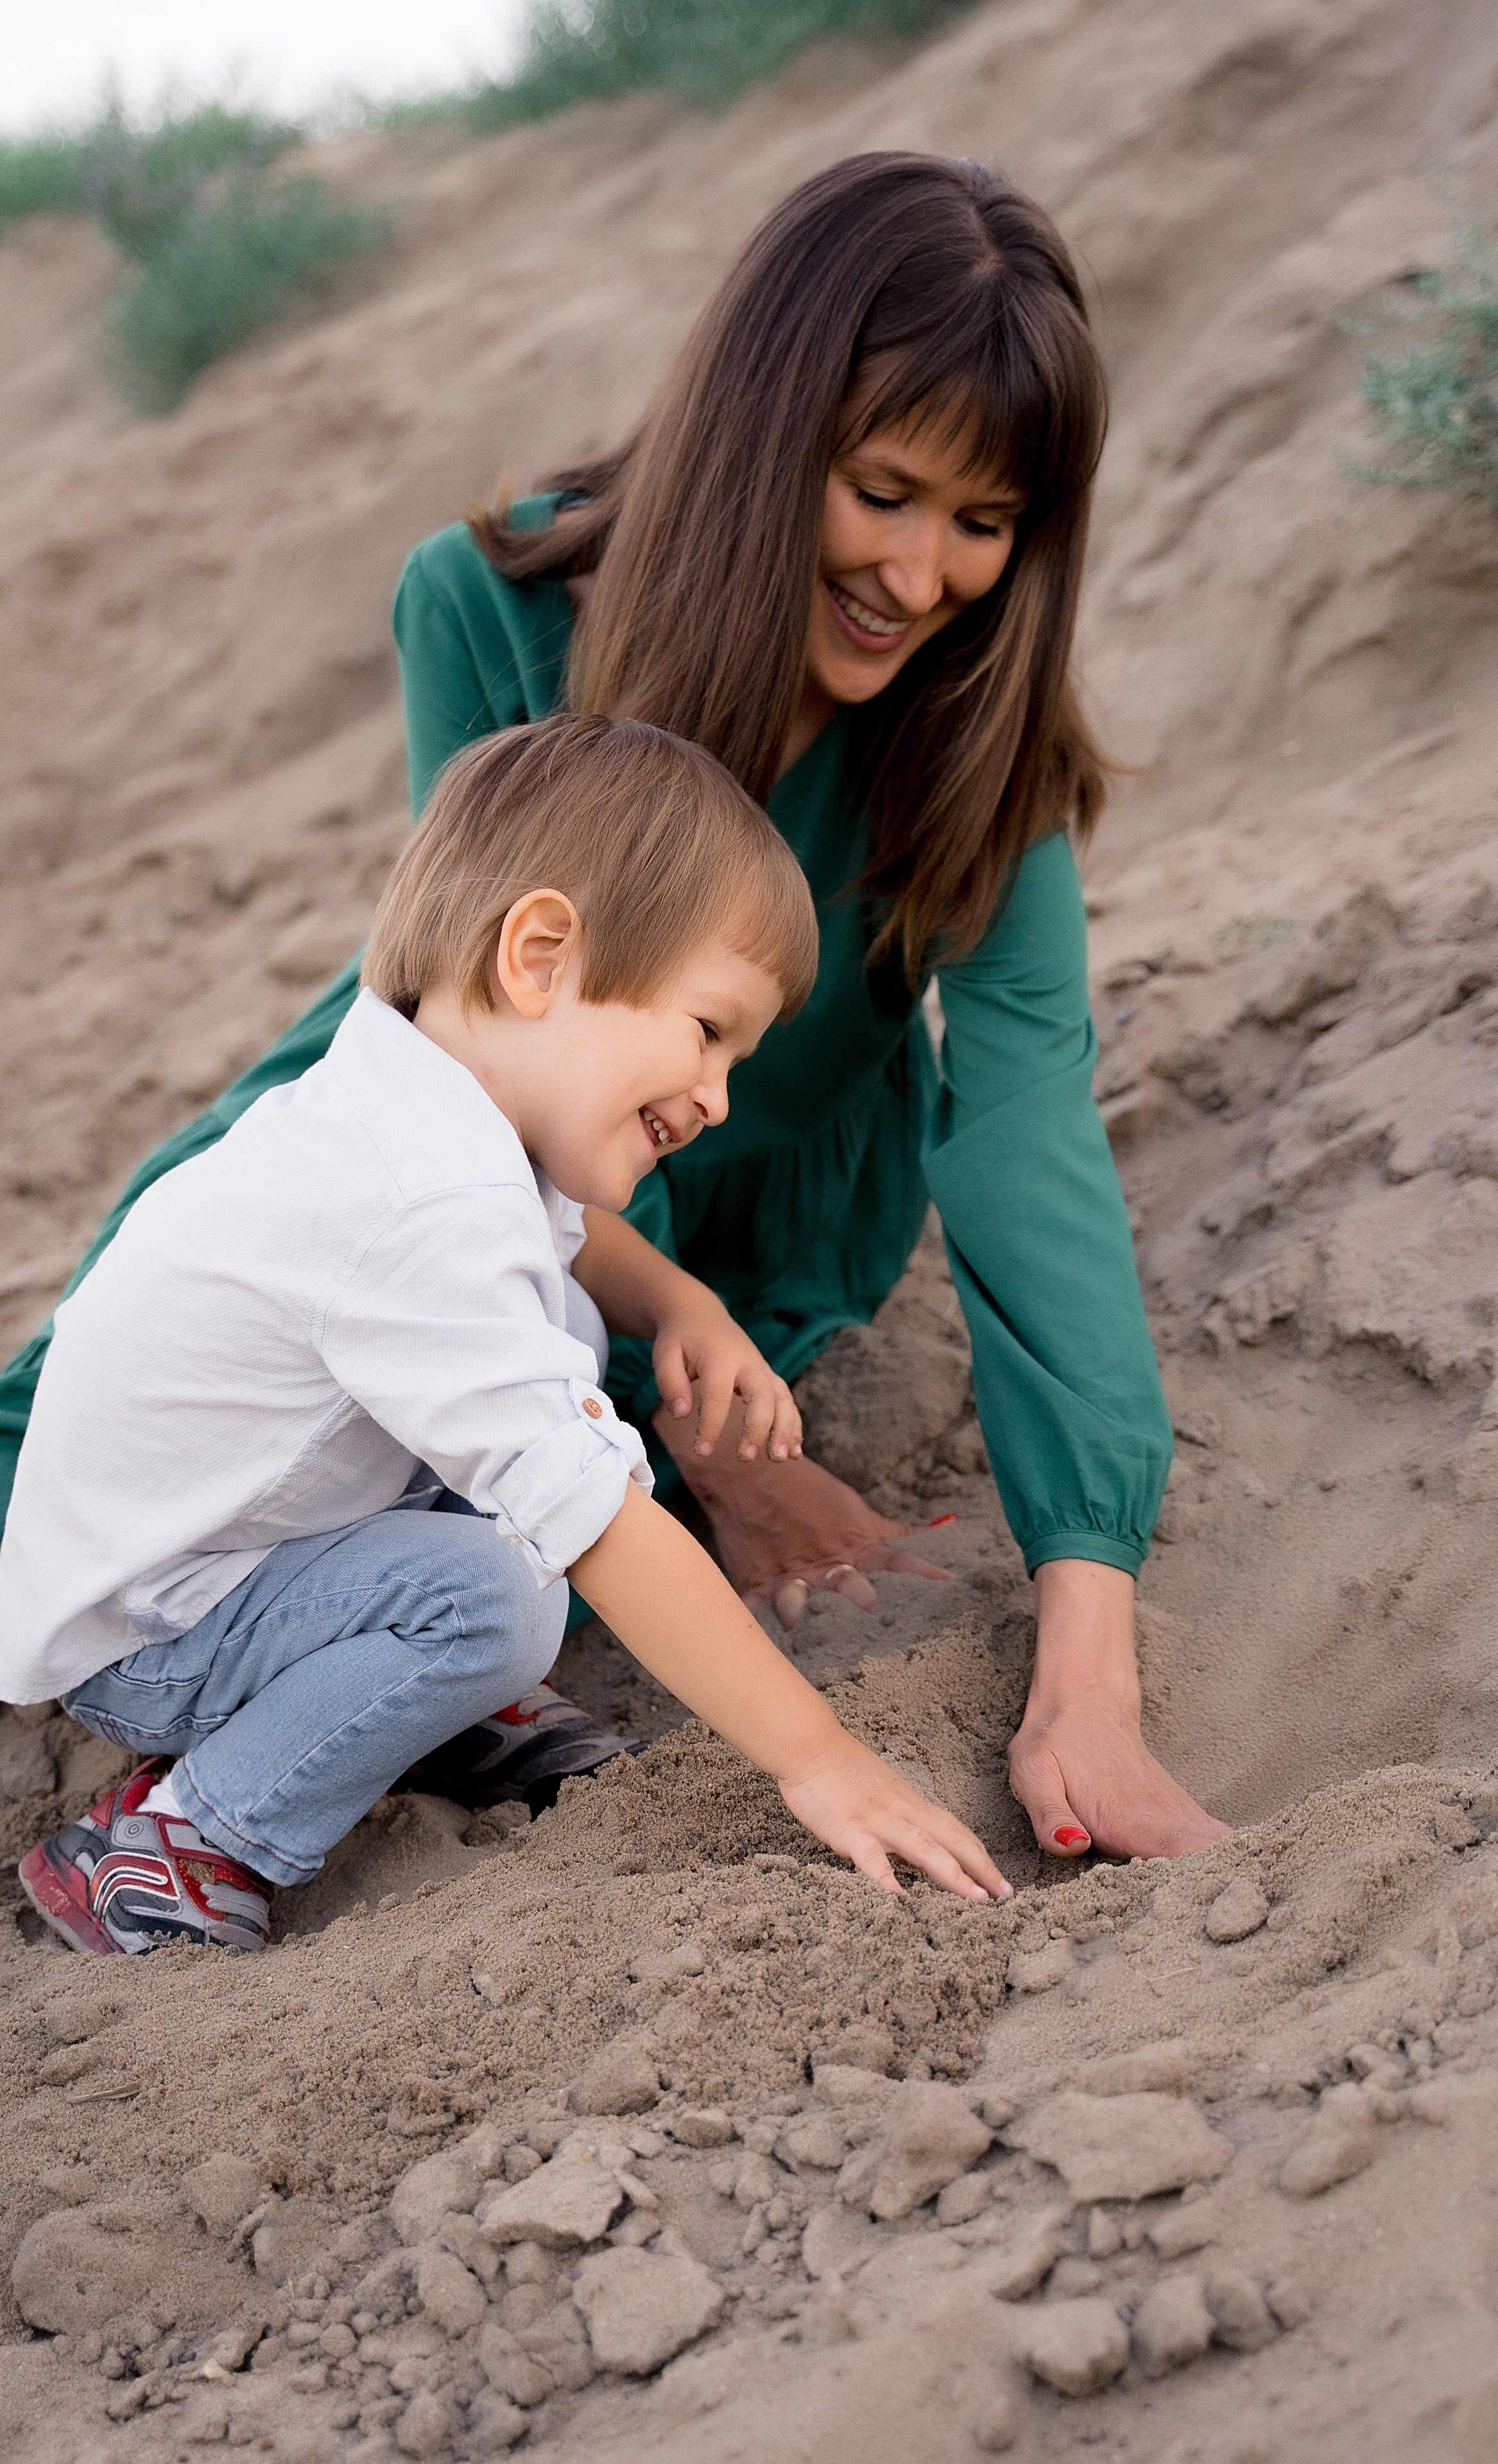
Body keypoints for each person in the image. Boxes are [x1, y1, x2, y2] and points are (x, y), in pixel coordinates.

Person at [0, 151, 1226, 1863]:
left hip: (739, 1191)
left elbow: (1029, 1146)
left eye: (987, 524)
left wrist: (1087, 1676)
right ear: (773, 430)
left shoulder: (976, 746)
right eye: (885, 491)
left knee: (530, 1492)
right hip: (510, 1135)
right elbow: (480, 1063)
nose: (926, 575)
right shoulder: (490, 611)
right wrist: (704, 1463)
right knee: (100, 1410)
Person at [0, 716, 1012, 1955]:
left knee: (561, 1356)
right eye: (708, 1030)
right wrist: (821, 1759)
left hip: (213, 1547)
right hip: (156, 1626)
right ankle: (178, 1840)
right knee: (498, 1599)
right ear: (539, 957)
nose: (718, 1097)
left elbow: (568, 1238)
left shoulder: (416, 1099)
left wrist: (680, 1303)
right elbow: (590, 1520)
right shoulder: (414, 1205)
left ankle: (413, 1710)